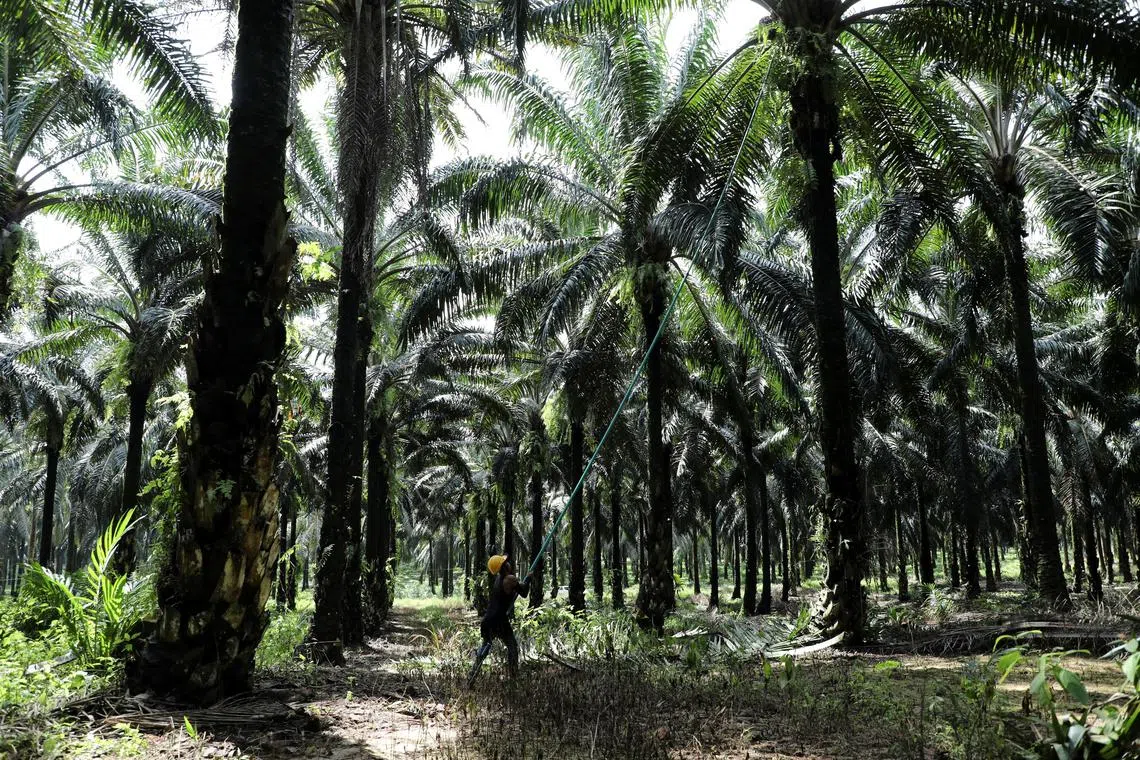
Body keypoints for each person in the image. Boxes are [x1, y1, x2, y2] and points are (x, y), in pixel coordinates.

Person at [468, 554, 530, 685]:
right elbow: (524, 593)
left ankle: (472, 676)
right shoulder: (510, 579)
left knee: (485, 649)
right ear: (504, 566)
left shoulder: (498, 579)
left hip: (488, 620)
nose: (509, 563)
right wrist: (529, 578)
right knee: (512, 647)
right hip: (499, 621)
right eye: (506, 562)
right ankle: (514, 679)